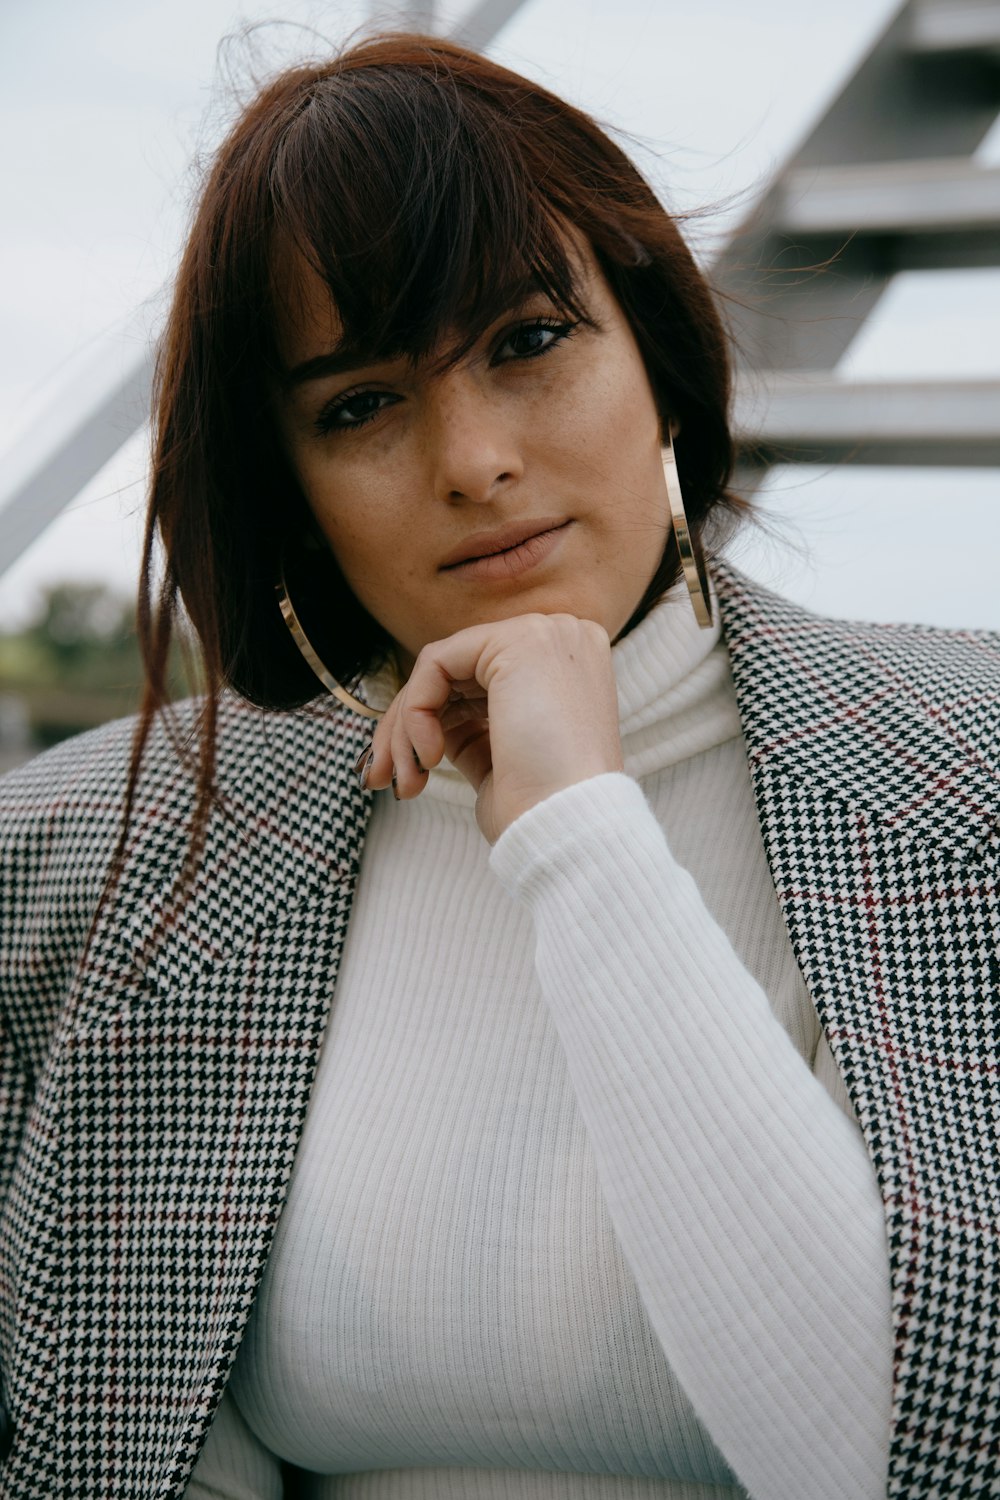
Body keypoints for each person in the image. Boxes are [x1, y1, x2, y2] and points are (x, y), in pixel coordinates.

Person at [0, 30, 997, 1500]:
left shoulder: (965, 778)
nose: (470, 459)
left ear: (655, 355)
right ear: (293, 492)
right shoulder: (85, 854)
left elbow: (906, 1450)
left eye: (526, 342)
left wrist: (581, 834)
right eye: (359, 406)